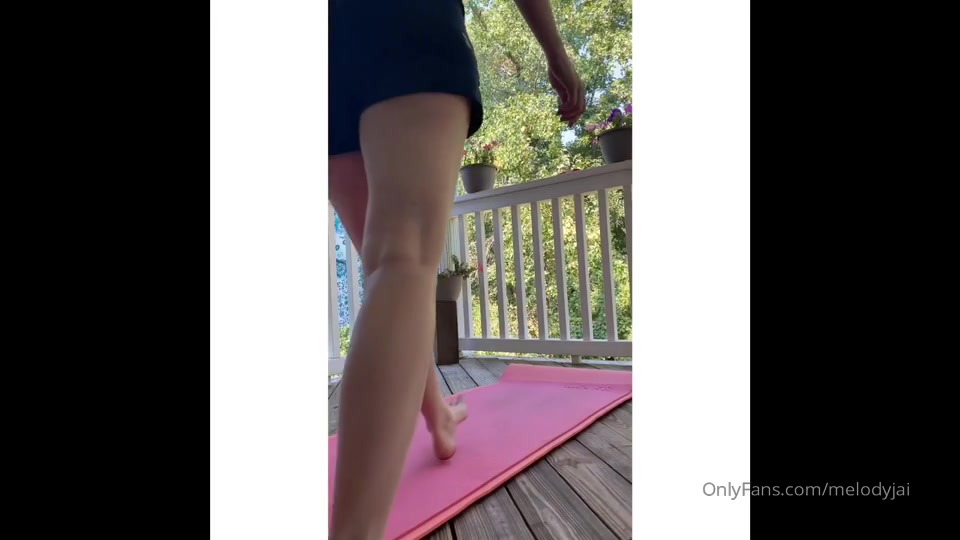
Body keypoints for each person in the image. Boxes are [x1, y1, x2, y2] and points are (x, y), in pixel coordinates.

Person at [328, 0, 585, 537]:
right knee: (402, 261)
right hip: (408, 20)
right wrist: (556, 53)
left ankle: (438, 417)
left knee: (388, 271)